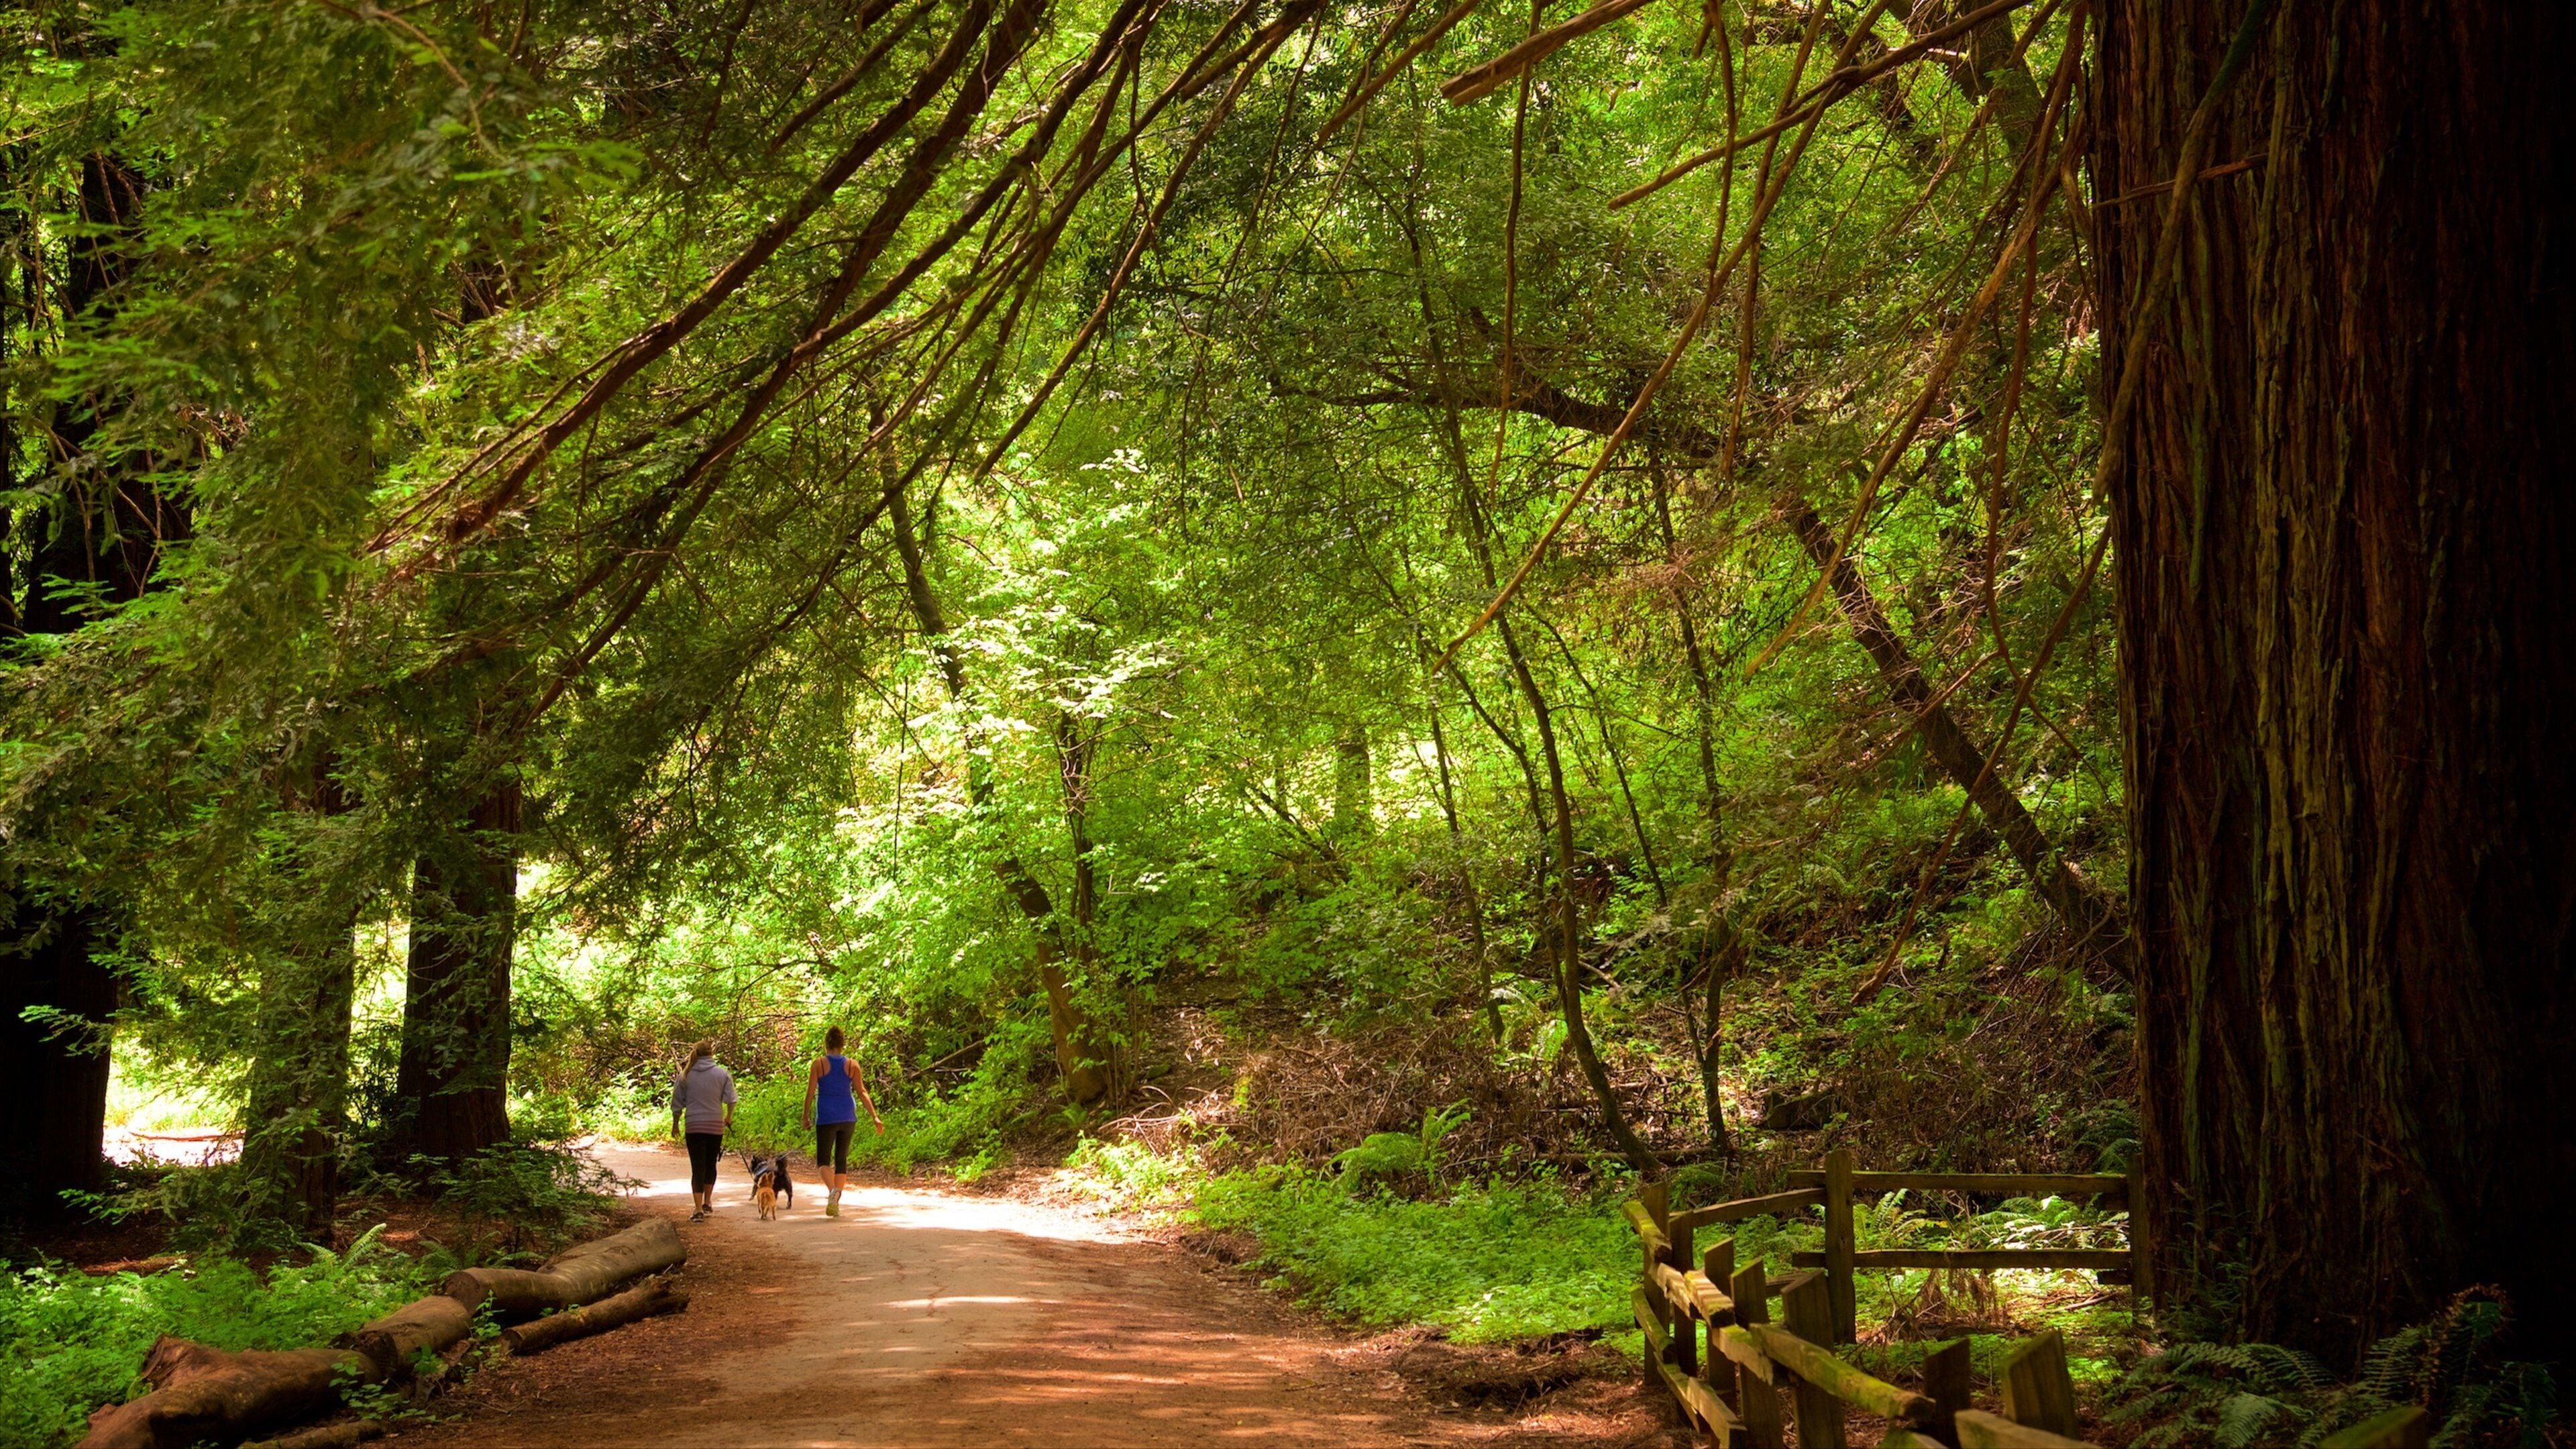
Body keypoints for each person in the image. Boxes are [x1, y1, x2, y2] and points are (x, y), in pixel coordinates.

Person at [802, 1026, 881, 1218]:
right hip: (848, 1116)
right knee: (841, 1160)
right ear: (842, 1044)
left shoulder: (819, 1064)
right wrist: (875, 1117)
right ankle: (835, 1202)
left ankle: (832, 1191)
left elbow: (811, 1092)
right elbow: (862, 1092)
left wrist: (805, 1116)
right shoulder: (852, 1065)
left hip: (827, 1117)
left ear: (826, 1043)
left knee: (823, 1160)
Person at [670, 1039, 736, 1222]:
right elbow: (732, 1099)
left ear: (696, 1053)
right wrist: (729, 1117)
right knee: (711, 1164)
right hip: (715, 1125)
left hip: (694, 1126)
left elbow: (677, 1102)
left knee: (697, 1166)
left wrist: (675, 1123)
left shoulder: (686, 1074)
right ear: (711, 1053)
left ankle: (698, 1208)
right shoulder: (722, 1074)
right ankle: (707, 1201)